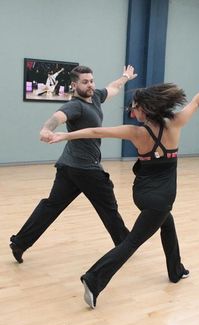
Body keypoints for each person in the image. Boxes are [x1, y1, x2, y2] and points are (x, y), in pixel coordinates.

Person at [48, 80, 199, 308]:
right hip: (160, 199)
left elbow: (95, 131)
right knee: (132, 242)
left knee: (167, 223)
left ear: (146, 108)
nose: (132, 111)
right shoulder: (175, 123)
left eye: (134, 107)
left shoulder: (135, 132)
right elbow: (196, 101)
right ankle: (94, 279)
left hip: (141, 194)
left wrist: (64, 136)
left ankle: (176, 270)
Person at [9, 64, 137, 263]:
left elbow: (113, 88)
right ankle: (124, 244)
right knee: (108, 208)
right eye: (85, 82)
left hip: (69, 168)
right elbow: (56, 118)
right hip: (86, 169)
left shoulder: (95, 97)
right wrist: (46, 129)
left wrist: (125, 77)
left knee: (51, 206)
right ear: (74, 84)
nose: (90, 85)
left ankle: (20, 243)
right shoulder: (75, 105)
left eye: (92, 81)